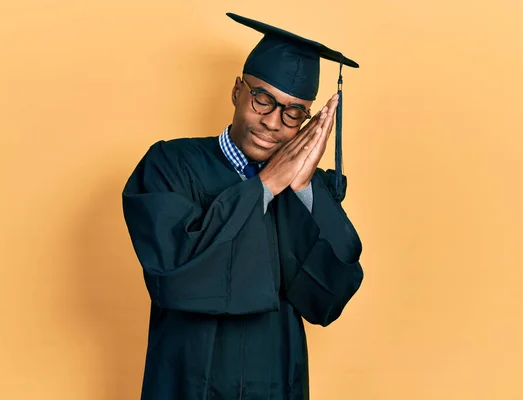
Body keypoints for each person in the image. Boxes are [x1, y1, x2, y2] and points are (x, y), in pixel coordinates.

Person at [122, 12, 364, 400]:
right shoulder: (170, 164)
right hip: (188, 382)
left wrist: (303, 189)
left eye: (294, 111)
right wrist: (266, 186)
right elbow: (174, 271)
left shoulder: (306, 188)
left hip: (276, 382)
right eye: (263, 99)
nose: (273, 122)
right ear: (237, 90)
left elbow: (329, 297)